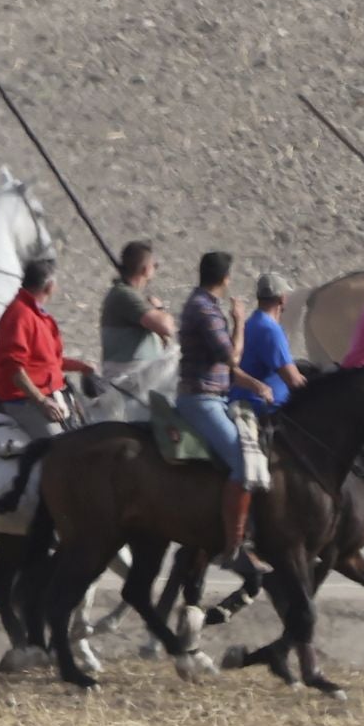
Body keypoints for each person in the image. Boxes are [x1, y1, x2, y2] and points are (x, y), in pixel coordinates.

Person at [177, 252, 273, 561]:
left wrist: (253, 384)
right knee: (244, 463)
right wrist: (240, 323)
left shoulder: (204, 306)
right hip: (201, 399)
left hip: (214, 397)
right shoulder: (206, 311)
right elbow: (232, 357)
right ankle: (234, 546)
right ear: (225, 279)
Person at [0, 259, 92, 440]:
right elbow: (14, 369)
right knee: (62, 449)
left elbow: (51, 362)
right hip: (24, 400)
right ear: (50, 286)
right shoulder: (20, 315)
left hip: (52, 394)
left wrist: (82, 366)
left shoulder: (38, 316)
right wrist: (41, 401)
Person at [99, 240, 175, 380]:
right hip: (128, 381)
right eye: (154, 265)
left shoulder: (128, 295)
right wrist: (160, 309)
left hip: (136, 379)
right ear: (146, 269)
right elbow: (166, 327)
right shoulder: (125, 295)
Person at [232, 273, 305, 414]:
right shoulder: (270, 330)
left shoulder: (252, 323)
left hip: (246, 400)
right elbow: (294, 381)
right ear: (282, 299)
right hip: (264, 407)